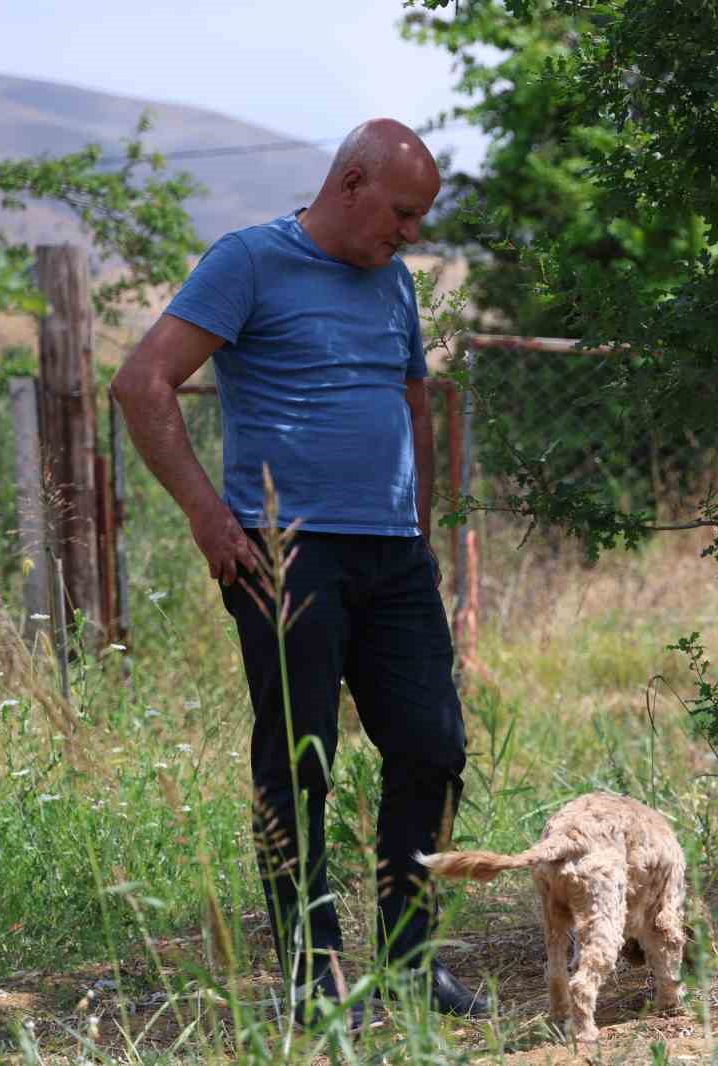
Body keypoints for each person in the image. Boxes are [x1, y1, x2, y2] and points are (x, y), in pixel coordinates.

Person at [112, 118, 487, 1025]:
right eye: (401, 213)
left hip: (393, 556)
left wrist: (421, 534)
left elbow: (412, 405)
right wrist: (211, 519)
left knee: (433, 749)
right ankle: (311, 980)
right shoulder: (248, 261)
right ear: (350, 183)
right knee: (299, 763)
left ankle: (408, 961)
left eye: (422, 219)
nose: (410, 235)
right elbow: (142, 381)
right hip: (286, 555)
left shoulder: (392, 281)